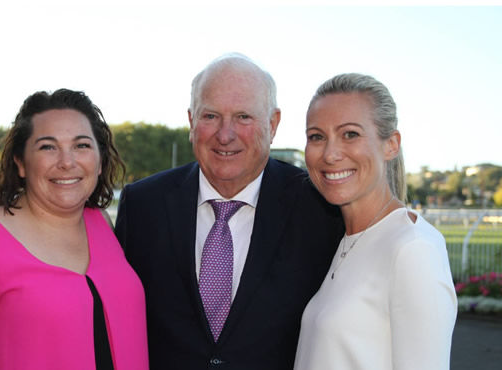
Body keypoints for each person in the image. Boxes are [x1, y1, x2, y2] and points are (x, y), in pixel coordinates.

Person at [114, 53, 343, 370]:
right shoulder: (142, 205)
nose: (225, 134)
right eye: (210, 116)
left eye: (243, 117)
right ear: (192, 121)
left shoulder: (321, 209)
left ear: (273, 124)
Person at [0, 89, 148, 369]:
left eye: (81, 145)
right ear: (21, 163)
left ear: (99, 160)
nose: (67, 162)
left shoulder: (101, 225)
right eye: (48, 147)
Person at [293, 73, 457, 370]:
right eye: (317, 136)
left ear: (391, 144)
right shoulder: (348, 241)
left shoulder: (413, 248)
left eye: (350, 134)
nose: (330, 154)